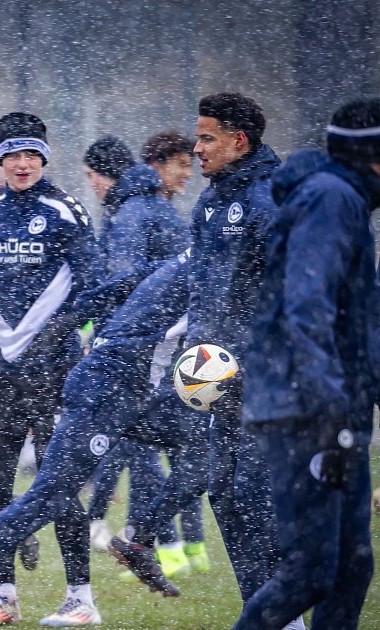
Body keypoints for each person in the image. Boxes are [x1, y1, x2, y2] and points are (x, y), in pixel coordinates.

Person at [0, 252, 195, 630]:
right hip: (101, 387)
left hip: (121, 388)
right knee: (41, 495)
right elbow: (121, 286)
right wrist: (73, 325)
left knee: (211, 448)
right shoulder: (215, 261)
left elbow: (114, 282)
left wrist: (70, 324)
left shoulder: (206, 258)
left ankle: (133, 542)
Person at [109, 93, 289, 620]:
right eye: (197, 137)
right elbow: (202, 290)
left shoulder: (269, 199)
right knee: (225, 496)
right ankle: (262, 612)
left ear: (239, 141)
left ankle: (288, 613)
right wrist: (192, 353)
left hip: (262, 377)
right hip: (212, 378)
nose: (197, 148)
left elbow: (289, 290)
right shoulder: (210, 203)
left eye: (207, 138)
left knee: (254, 498)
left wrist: (260, 356)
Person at [0, 112, 104, 626]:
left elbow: (96, 286)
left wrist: (67, 328)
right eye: (13, 154)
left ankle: (80, 598)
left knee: (58, 485)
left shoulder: (65, 211)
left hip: (55, 371)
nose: (23, 163)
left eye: (32, 154)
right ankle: (3, 596)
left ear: (45, 159)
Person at [233, 98, 380, 629]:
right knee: (311, 571)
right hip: (307, 411)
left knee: (351, 567)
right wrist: (331, 411)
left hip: (330, 407)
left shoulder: (345, 199)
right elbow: (306, 307)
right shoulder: (331, 198)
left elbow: (359, 326)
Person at [81, 136, 198, 576]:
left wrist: (103, 335)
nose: (91, 185)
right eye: (182, 164)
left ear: (106, 174)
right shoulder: (151, 209)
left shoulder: (133, 213)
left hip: (146, 352)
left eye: (92, 176)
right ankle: (172, 545)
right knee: (162, 450)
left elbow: (127, 284)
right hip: (163, 348)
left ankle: (160, 545)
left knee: (142, 450)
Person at [141, 131, 195, 202]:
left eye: (189, 166)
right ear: (156, 166)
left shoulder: (149, 204)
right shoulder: (141, 206)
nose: (188, 174)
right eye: (182, 164)